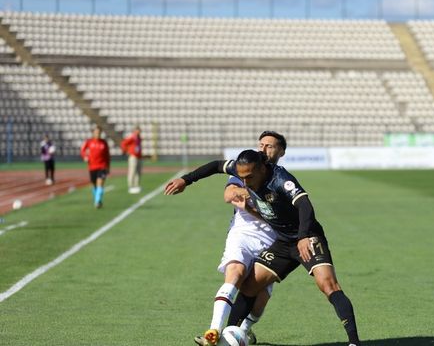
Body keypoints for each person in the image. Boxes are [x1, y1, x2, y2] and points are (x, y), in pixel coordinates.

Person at [165, 150, 361, 346]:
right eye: (241, 178)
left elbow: (305, 205)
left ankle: (354, 342)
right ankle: (227, 336)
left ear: (261, 168)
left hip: (308, 237)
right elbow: (216, 165)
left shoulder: (281, 179)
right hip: (283, 243)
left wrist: (303, 237)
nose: (245, 182)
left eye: (249, 176)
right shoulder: (242, 170)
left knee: (328, 285)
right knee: (249, 287)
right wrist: (186, 180)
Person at [196, 131, 286, 346]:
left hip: (272, 240)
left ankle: (242, 331)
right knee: (234, 272)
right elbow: (229, 195)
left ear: (281, 151)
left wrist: (255, 197)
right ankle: (214, 331)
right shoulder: (244, 167)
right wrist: (263, 195)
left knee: (261, 294)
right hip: (242, 233)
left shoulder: (283, 178)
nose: (263, 149)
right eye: (261, 144)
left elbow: (283, 214)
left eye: (270, 146)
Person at [80, 126, 110, 208]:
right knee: (94, 185)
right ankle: (97, 199)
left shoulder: (104, 143)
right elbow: (82, 150)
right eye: (96, 132)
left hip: (102, 166)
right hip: (92, 167)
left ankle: (97, 201)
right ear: (93, 133)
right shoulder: (89, 142)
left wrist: (108, 167)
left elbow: (107, 156)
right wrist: (85, 156)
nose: (98, 134)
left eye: (99, 132)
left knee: (100, 184)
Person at [120, 126, 143, 194]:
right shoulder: (132, 137)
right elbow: (123, 143)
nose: (138, 132)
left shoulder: (139, 138)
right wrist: (126, 151)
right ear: (134, 131)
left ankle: (136, 185)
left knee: (138, 172)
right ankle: (130, 186)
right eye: (137, 130)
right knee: (132, 171)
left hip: (139, 156)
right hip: (133, 156)